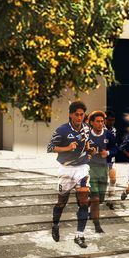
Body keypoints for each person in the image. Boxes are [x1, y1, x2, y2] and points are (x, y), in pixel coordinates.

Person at [48, 101, 97, 245]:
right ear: (70, 115)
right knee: (61, 203)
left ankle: (79, 235)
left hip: (81, 168)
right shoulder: (62, 130)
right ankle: (55, 225)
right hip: (65, 169)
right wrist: (67, 148)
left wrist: (90, 150)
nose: (80, 117)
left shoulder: (87, 128)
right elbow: (50, 148)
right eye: (77, 114)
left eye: (82, 115)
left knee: (83, 201)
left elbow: (87, 143)